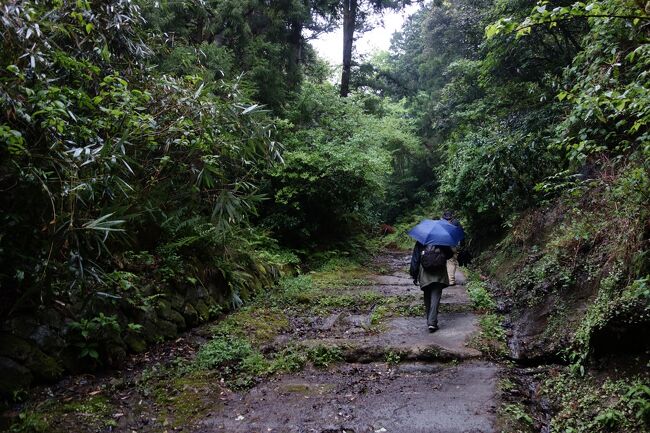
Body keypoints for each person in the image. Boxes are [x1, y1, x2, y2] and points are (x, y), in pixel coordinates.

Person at [409, 241, 454, 332]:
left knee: (427, 294)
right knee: (436, 295)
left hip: (425, 273)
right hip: (439, 272)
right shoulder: (441, 240)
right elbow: (449, 255)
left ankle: (430, 319)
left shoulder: (421, 241)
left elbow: (416, 259)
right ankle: (432, 322)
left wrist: (414, 274)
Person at [441, 211, 462, 285]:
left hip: (442, 244)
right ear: (452, 216)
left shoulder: (440, 223)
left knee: (441, 260)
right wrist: (462, 245)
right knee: (451, 261)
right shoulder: (456, 222)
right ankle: (451, 280)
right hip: (453, 244)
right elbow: (461, 234)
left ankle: (442, 279)